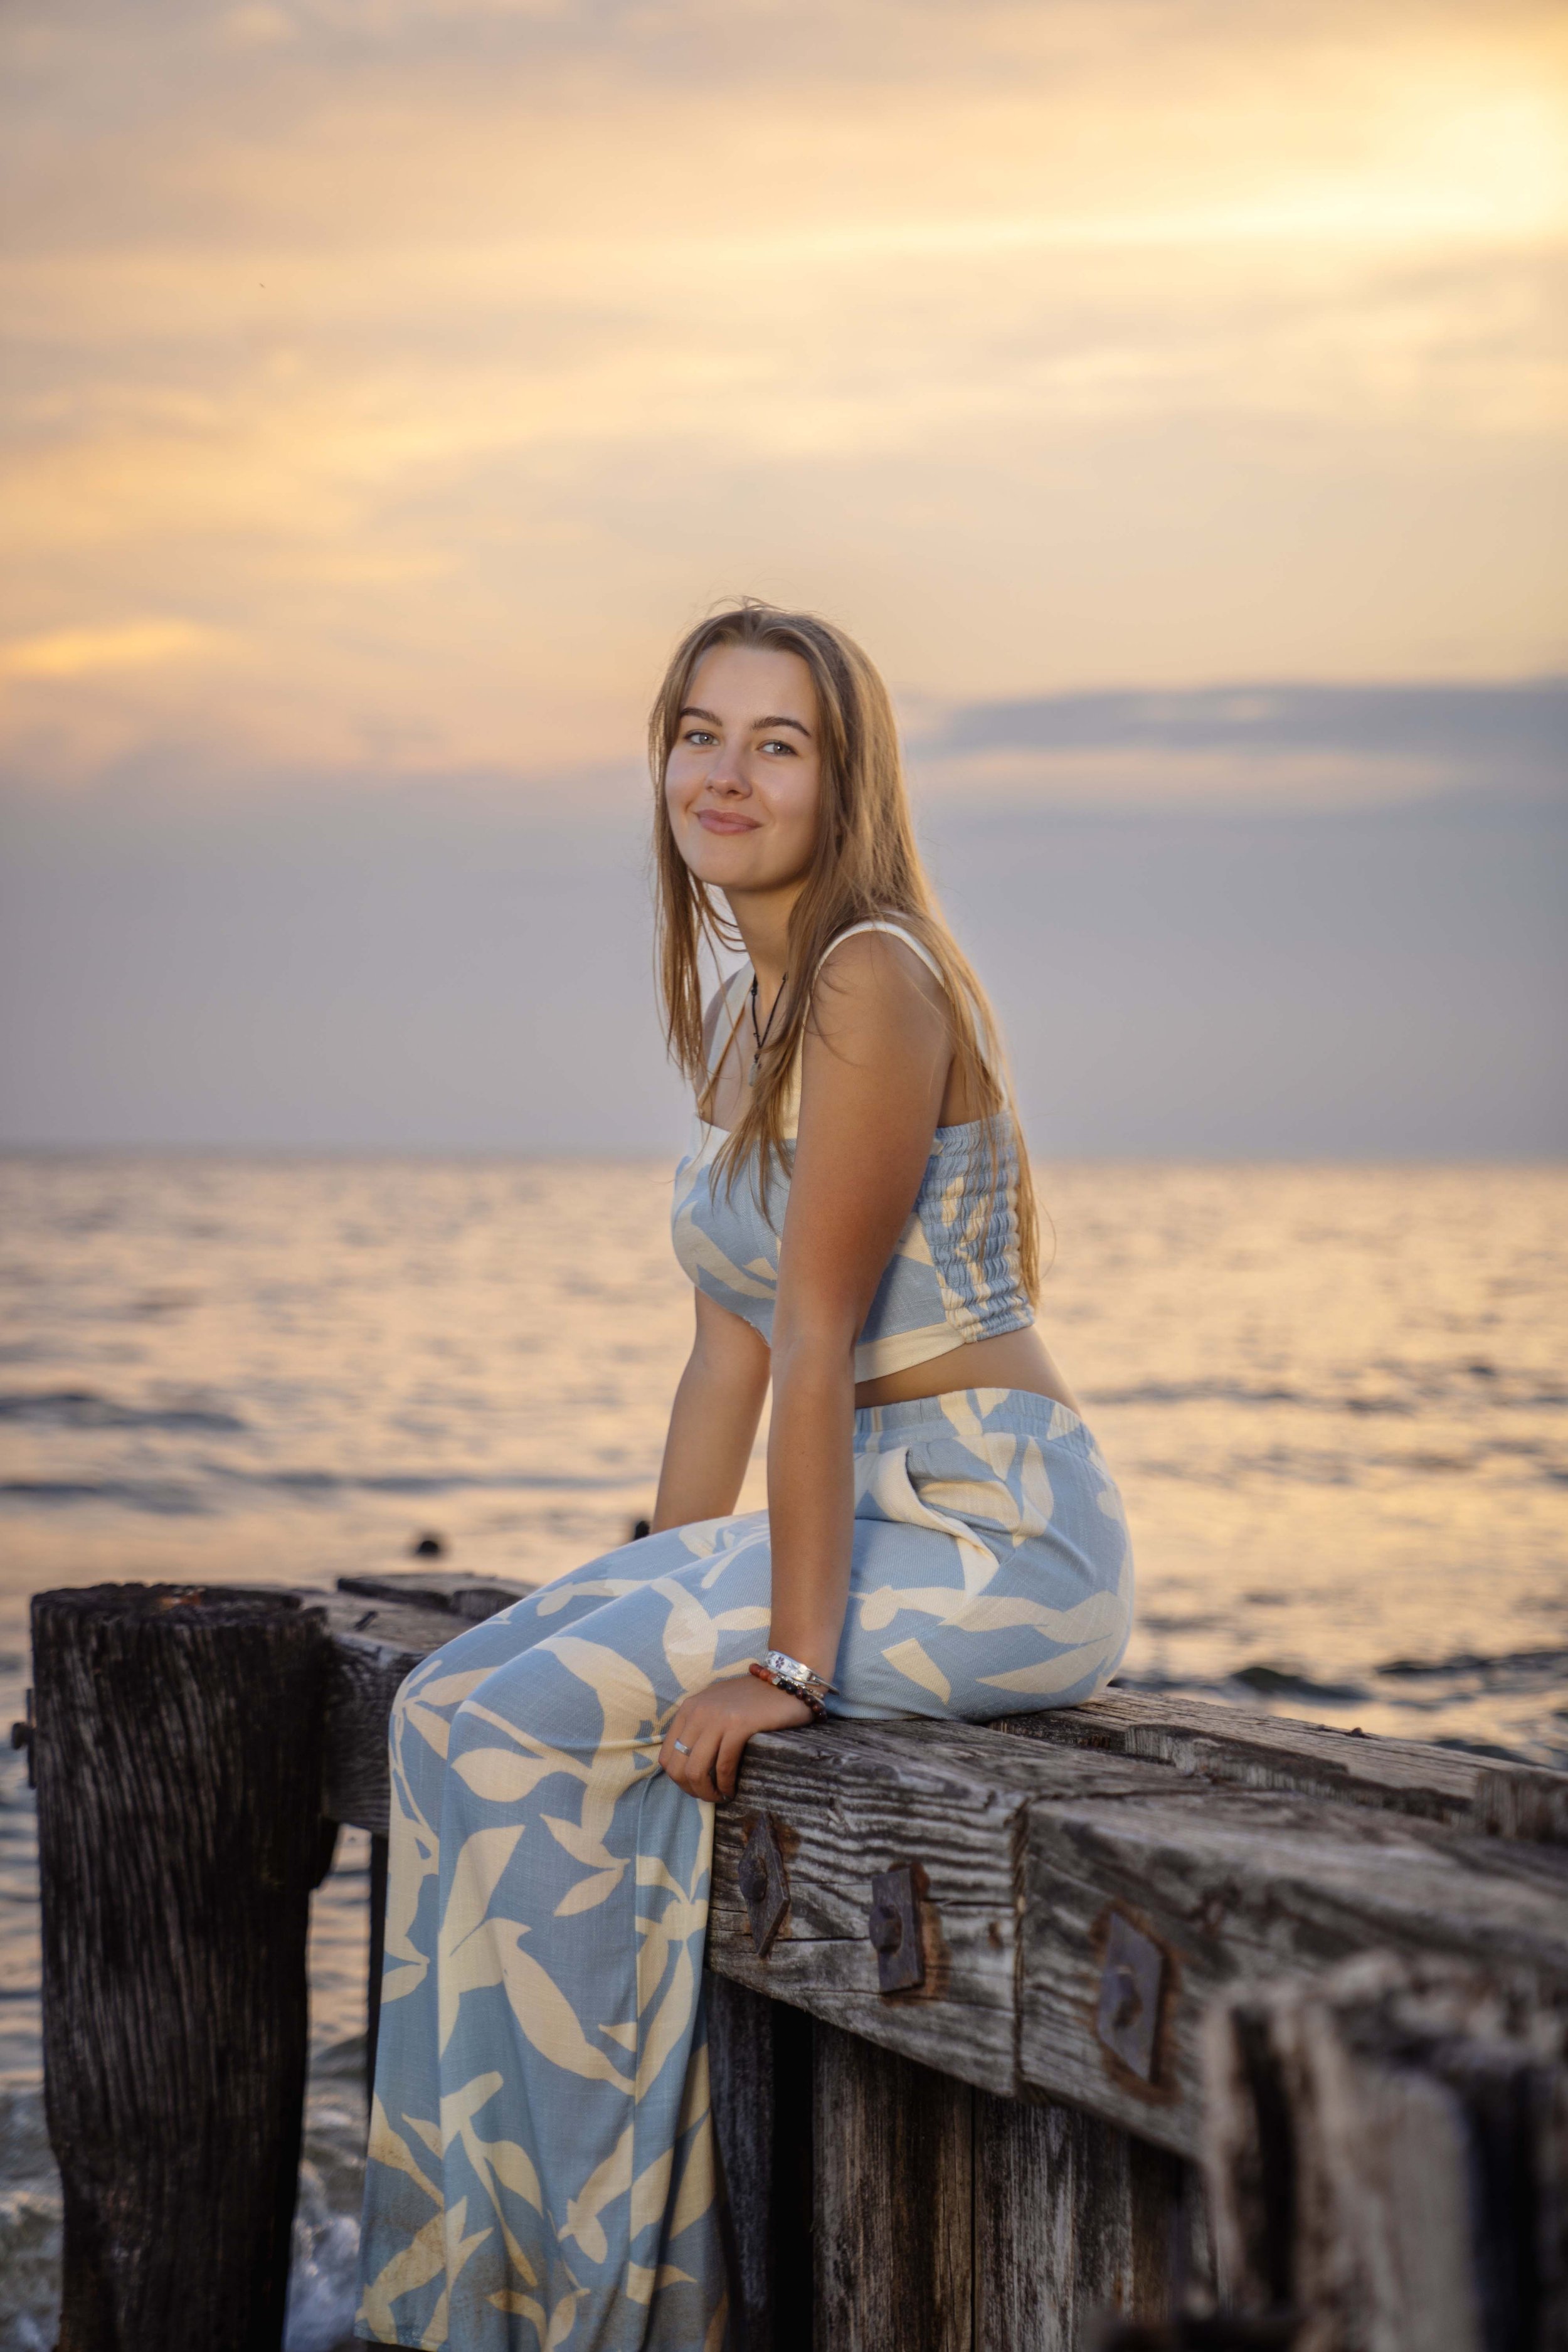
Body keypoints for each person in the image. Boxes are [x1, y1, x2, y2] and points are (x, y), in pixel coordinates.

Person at [355, 603, 1134, 2349]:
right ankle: (484, 2284)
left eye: (776, 743)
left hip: (992, 1533)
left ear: (844, 783)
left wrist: (780, 1661)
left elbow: (814, 1336)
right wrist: (648, 1582)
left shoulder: (873, 978)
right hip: (861, 1503)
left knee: (514, 1724)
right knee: (443, 1706)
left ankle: (621, 2302)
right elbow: (724, 1357)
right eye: (698, 734)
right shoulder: (746, 1020)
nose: (726, 773)